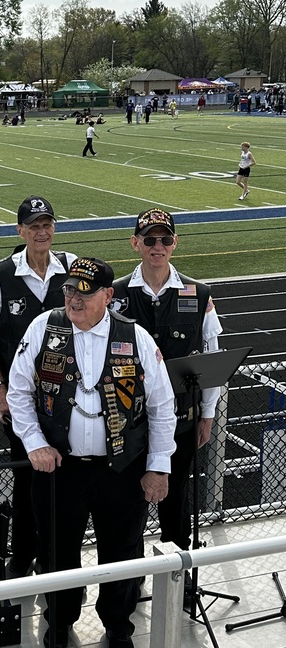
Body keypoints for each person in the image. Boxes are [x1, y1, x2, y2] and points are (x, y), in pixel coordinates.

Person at [7, 257, 176, 648]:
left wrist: (158, 466)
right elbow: (18, 391)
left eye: (84, 293)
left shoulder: (134, 336)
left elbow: (162, 406)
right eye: (68, 290)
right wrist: (34, 443)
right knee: (56, 550)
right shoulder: (44, 328)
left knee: (122, 551)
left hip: (120, 469)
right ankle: (60, 620)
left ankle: (119, 625)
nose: (74, 300)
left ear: (107, 296)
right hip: (59, 469)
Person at [0, 196, 76, 578]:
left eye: (46, 224)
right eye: (33, 226)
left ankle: (56, 556)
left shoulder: (70, 267)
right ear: (20, 231)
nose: (41, 231)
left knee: (64, 478)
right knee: (26, 478)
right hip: (20, 401)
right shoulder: (2, 273)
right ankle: (24, 554)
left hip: (65, 401)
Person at [111, 209, 222, 558]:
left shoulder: (200, 295)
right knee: (128, 505)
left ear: (175, 244)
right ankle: (129, 582)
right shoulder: (112, 295)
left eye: (165, 239)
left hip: (182, 421)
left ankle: (180, 581)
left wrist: (207, 416)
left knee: (176, 499)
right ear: (135, 244)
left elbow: (211, 358)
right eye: (149, 239)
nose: (157, 246)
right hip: (128, 422)